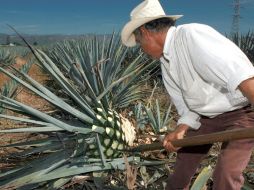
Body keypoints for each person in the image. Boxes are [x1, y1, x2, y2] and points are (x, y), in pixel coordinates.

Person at [121, 0, 254, 189]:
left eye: (139, 43)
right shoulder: (165, 64)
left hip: (240, 113)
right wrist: (180, 129)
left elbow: (241, 74)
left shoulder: (192, 36)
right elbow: (187, 107)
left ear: (145, 32)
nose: (141, 50)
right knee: (182, 170)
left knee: (226, 173)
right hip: (205, 118)